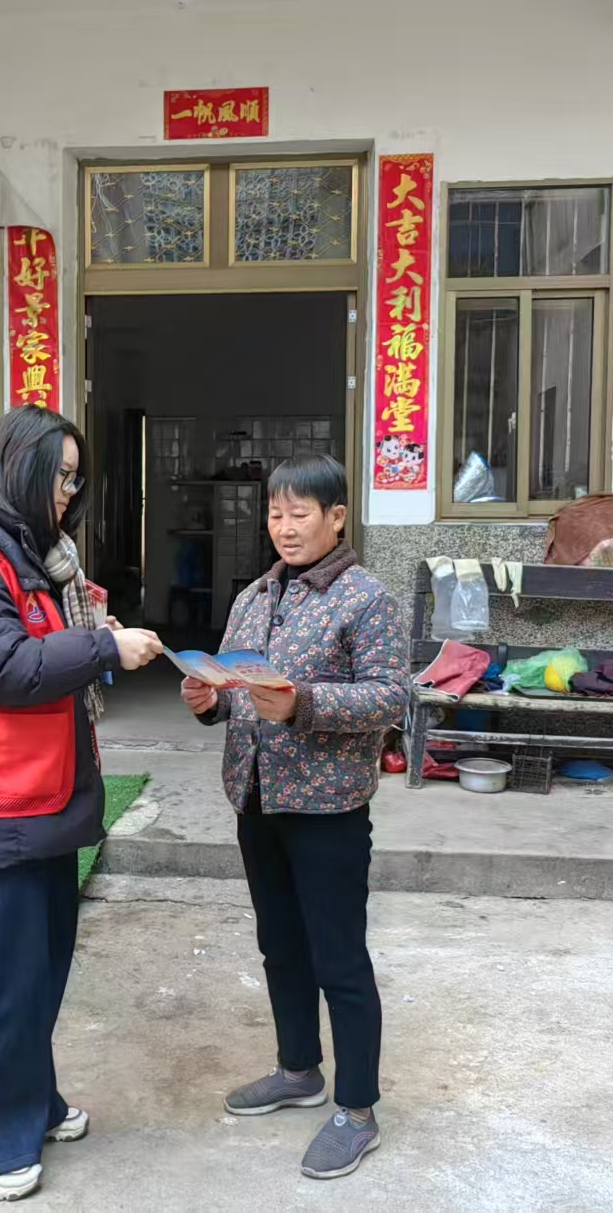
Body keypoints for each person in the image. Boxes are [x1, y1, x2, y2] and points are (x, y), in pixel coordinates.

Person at [0, 404, 164, 1202]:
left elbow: (35, 641)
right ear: (18, 468)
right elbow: (5, 666)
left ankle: (26, 1101)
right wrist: (101, 645)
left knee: (36, 968)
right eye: (59, 475)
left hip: (34, 795)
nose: (67, 492)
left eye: (75, 479)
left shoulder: (26, 553)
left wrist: (90, 631)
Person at [180, 452, 409, 1180]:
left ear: (336, 517)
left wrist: (302, 703)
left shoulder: (365, 598)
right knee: (280, 945)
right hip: (257, 797)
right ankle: (298, 1070)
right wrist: (210, 701)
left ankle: (358, 1110)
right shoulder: (255, 595)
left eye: (299, 513)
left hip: (326, 806)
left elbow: (390, 696)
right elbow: (233, 684)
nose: (284, 527)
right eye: (276, 513)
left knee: (338, 958)